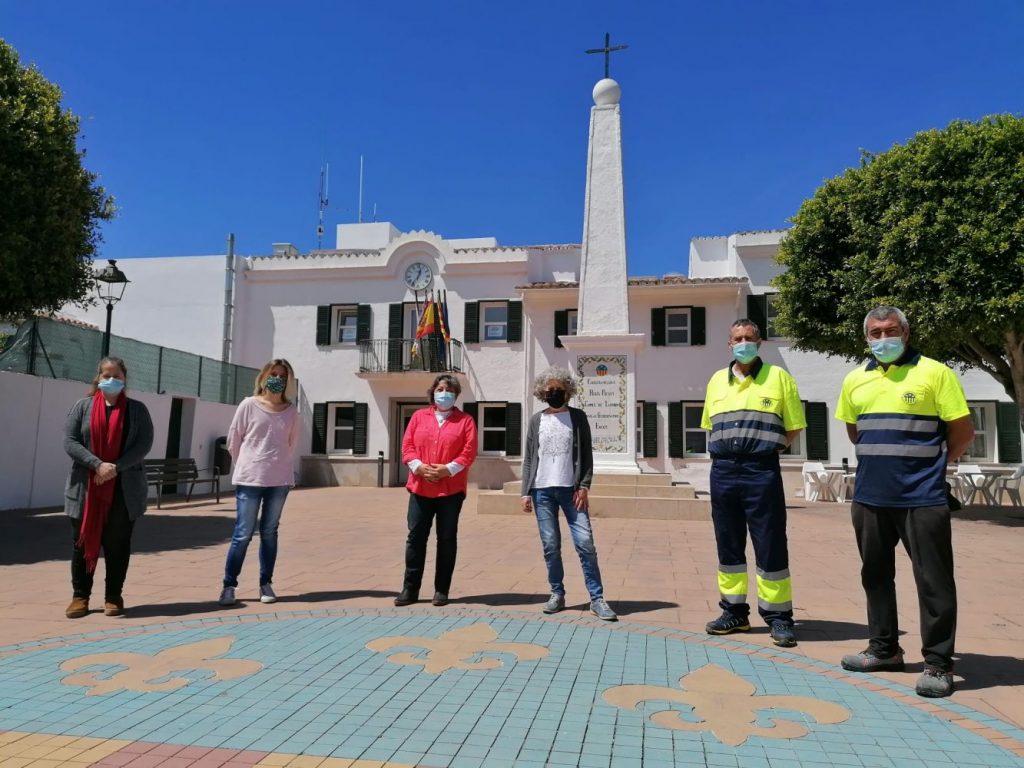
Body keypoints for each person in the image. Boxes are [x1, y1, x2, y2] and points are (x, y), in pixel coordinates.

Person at [836, 306, 974, 698]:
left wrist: (933, 468)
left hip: (922, 497)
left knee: (933, 582)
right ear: (866, 338)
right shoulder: (854, 380)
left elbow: (963, 432)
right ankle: (883, 649)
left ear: (906, 334)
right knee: (875, 577)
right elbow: (854, 431)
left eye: (891, 331)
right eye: (875, 333)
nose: (883, 339)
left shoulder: (935, 373)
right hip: (869, 497)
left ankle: (938, 663)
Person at [700, 319, 805, 646]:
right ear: (729, 344)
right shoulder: (716, 381)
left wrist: (764, 449)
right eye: (737, 339)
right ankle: (734, 612)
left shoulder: (778, 378)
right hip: (723, 470)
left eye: (749, 338)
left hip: (761, 470)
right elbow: (710, 426)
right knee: (728, 542)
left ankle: (779, 617)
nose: (743, 343)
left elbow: (794, 427)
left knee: (770, 541)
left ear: (759, 343)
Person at [521, 366, 617, 621]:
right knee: (551, 545)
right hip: (542, 490)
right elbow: (530, 458)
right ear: (542, 392)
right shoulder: (536, 420)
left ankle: (597, 599)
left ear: (568, 391)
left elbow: (586, 455)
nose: (554, 393)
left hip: (571, 491)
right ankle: (557, 593)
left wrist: (584, 485)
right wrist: (525, 492)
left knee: (585, 544)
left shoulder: (578, 418)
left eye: (559, 389)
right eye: (549, 390)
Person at [63, 357, 154, 618]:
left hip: (124, 489)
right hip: (86, 489)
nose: (111, 379)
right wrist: (97, 464)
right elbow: (70, 441)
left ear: (125, 379)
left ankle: (113, 596)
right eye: (106, 375)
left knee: (118, 544)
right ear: (97, 378)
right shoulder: (82, 407)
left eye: (116, 375)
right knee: (81, 543)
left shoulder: (137, 410)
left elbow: (143, 444)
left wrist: (115, 467)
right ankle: (80, 597)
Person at [218, 359, 300, 606]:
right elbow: (234, 439)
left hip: (279, 480)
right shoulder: (248, 405)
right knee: (242, 533)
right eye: (273, 374)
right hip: (250, 478)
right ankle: (229, 586)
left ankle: (266, 583)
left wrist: (279, 465)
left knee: (269, 532)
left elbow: (291, 445)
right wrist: (246, 465)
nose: (277, 379)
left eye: (282, 376)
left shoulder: (291, 412)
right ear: (263, 377)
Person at [395, 374, 477, 606]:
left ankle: (441, 590)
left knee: (447, 539)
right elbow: (407, 446)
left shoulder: (466, 421)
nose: (444, 392)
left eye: (449, 389)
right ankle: (409, 589)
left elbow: (468, 452)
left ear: (456, 394)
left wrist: (447, 470)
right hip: (420, 488)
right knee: (415, 538)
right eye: (440, 388)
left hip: (450, 491)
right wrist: (419, 468)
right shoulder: (419, 417)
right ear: (433, 392)